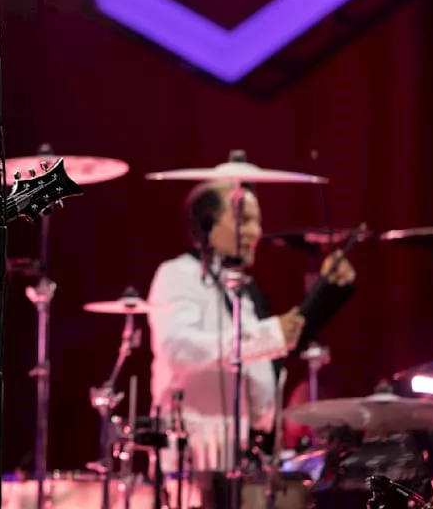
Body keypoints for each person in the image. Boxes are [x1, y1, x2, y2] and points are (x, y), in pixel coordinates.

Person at [146, 178, 356, 475]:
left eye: (258, 223)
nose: (255, 233)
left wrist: (330, 293)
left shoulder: (243, 290)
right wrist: (268, 336)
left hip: (246, 456)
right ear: (207, 224)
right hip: (194, 462)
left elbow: (275, 350)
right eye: (242, 221)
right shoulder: (177, 274)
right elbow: (179, 348)